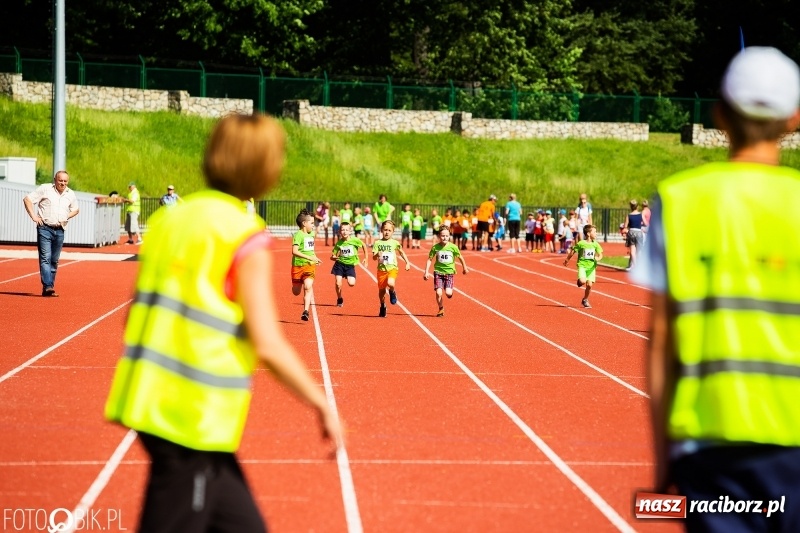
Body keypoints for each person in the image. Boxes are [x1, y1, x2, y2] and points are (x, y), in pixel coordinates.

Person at [104, 114, 343, 533]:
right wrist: (322, 404)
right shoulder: (243, 233)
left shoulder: (170, 220)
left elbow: (134, 313)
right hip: (191, 413)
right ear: (264, 168)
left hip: (149, 396)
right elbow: (267, 342)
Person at [632, 47, 800, 533]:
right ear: (793, 119)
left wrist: (663, 458)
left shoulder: (681, 199)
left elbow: (661, 341)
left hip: (710, 443)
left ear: (720, 114)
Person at [22, 170, 80, 297]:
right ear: (55, 180)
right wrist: (34, 216)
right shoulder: (45, 189)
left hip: (60, 230)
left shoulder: (70, 194)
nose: (63, 183)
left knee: (54, 260)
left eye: (65, 181)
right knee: (45, 258)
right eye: (60, 180)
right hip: (44, 228)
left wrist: (66, 216)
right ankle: (47, 285)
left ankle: (49, 288)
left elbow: (76, 209)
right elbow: (27, 199)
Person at [423, 226, 468, 317]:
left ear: (449, 236)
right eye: (443, 236)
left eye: (447, 236)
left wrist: (464, 268)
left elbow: (460, 257)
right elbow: (429, 259)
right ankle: (441, 309)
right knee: (438, 292)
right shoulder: (435, 248)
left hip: (449, 273)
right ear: (439, 236)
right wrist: (426, 272)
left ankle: (449, 292)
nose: (445, 238)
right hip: (438, 273)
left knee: (448, 293)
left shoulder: (453, 247)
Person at [372, 220, 411, 317]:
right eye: (385, 230)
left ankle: (392, 291)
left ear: (393, 232)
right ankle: (382, 306)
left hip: (392, 268)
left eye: (389, 230)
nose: (387, 232)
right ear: (381, 230)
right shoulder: (377, 243)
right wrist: (377, 254)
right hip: (381, 270)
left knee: (390, 283)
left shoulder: (395, 243)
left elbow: (401, 252)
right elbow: (374, 258)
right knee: (381, 291)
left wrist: (407, 262)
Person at [563, 224, 603, 308]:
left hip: (591, 267)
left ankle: (585, 299)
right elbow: (573, 251)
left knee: (589, 285)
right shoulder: (581, 243)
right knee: (583, 281)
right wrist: (567, 260)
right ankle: (580, 281)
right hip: (582, 266)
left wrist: (597, 258)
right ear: (588, 234)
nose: (596, 233)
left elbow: (600, 254)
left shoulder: (595, 244)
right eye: (594, 232)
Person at [292, 209, 322, 321]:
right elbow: (294, 251)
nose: (313, 225)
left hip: (309, 265)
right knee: (296, 292)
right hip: (297, 266)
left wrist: (315, 257)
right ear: (304, 223)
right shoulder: (298, 235)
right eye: (312, 223)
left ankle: (305, 311)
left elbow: (311, 250)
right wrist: (310, 257)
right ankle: (298, 282)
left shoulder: (312, 234)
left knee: (308, 287)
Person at [329, 222, 368, 307]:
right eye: (343, 230)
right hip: (339, 264)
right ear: (340, 231)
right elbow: (332, 256)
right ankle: (339, 298)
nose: (345, 232)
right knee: (338, 283)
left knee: (351, 283)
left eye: (347, 230)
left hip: (350, 266)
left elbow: (364, 245)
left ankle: (348, 276)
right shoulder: (339, 243)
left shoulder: (355, 240)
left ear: (350, 231)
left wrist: (366, 258)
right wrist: (333, 258)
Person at [623, 199, 644, 271]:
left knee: (632, 251)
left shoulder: (629, 215)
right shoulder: (641, 214)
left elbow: (625, 226)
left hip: (631, 232)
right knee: (639, 250)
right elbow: (645, 223)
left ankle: (635, 266)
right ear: (637, 206)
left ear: (630, 206)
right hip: (639, 232)